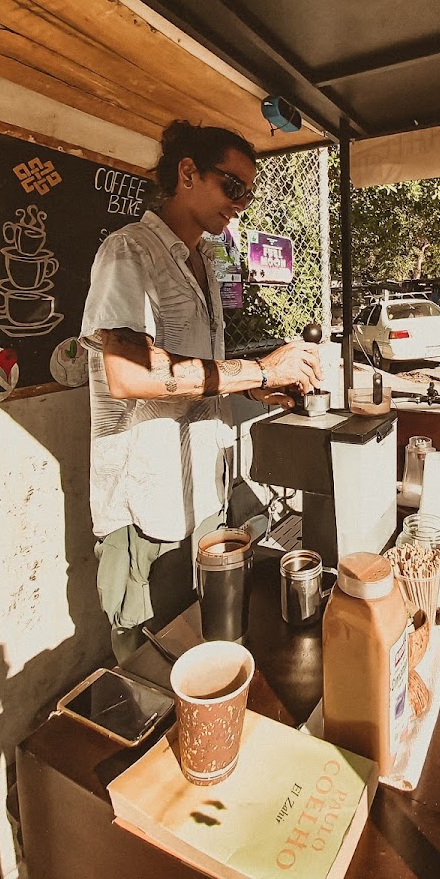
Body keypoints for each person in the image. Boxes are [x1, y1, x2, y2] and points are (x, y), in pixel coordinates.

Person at [80, 120, 321, 658]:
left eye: (248, 193)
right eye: (232, 186)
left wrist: (258, 389)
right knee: (154, 661)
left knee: (205, 646)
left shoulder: (203, 263)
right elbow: (131, 374)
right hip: (149, 507)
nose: (240, 204)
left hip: (204, 496)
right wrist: (259, 370)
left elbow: (197, 374)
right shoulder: (129, 253)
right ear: (187, 172)